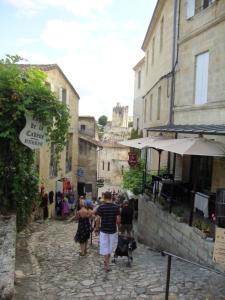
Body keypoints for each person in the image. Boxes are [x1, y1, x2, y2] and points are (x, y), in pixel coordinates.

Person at [95, 191, 120, 272]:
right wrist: (118, 228)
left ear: (104, 198)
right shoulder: (116, 207)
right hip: (112, 230)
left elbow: (98, 219)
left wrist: (97, 228)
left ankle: (107, 263)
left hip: (104, 230)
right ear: (111, 197)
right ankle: (107, 263)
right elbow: (118, 220)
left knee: (105, 246)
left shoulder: (101, 207)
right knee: (110, 247)